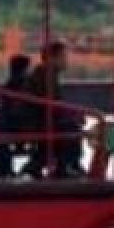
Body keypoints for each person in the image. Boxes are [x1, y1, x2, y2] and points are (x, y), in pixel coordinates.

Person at [22, 41, 84, 179]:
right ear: (52, 58)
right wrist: (73, 114)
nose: (66, 61)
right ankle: (65, 165)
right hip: (38, 121)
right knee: (71, 128)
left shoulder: (45, 73)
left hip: (39, 118)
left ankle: (39, 163)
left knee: (70, 124)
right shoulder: (46, 75)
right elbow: (51, 104)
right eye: (63, 56)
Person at [0, 54, 34, 178]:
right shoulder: (25, 84)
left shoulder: (10, 85)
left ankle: (5, 168)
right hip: (22, 124)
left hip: (14, 124)